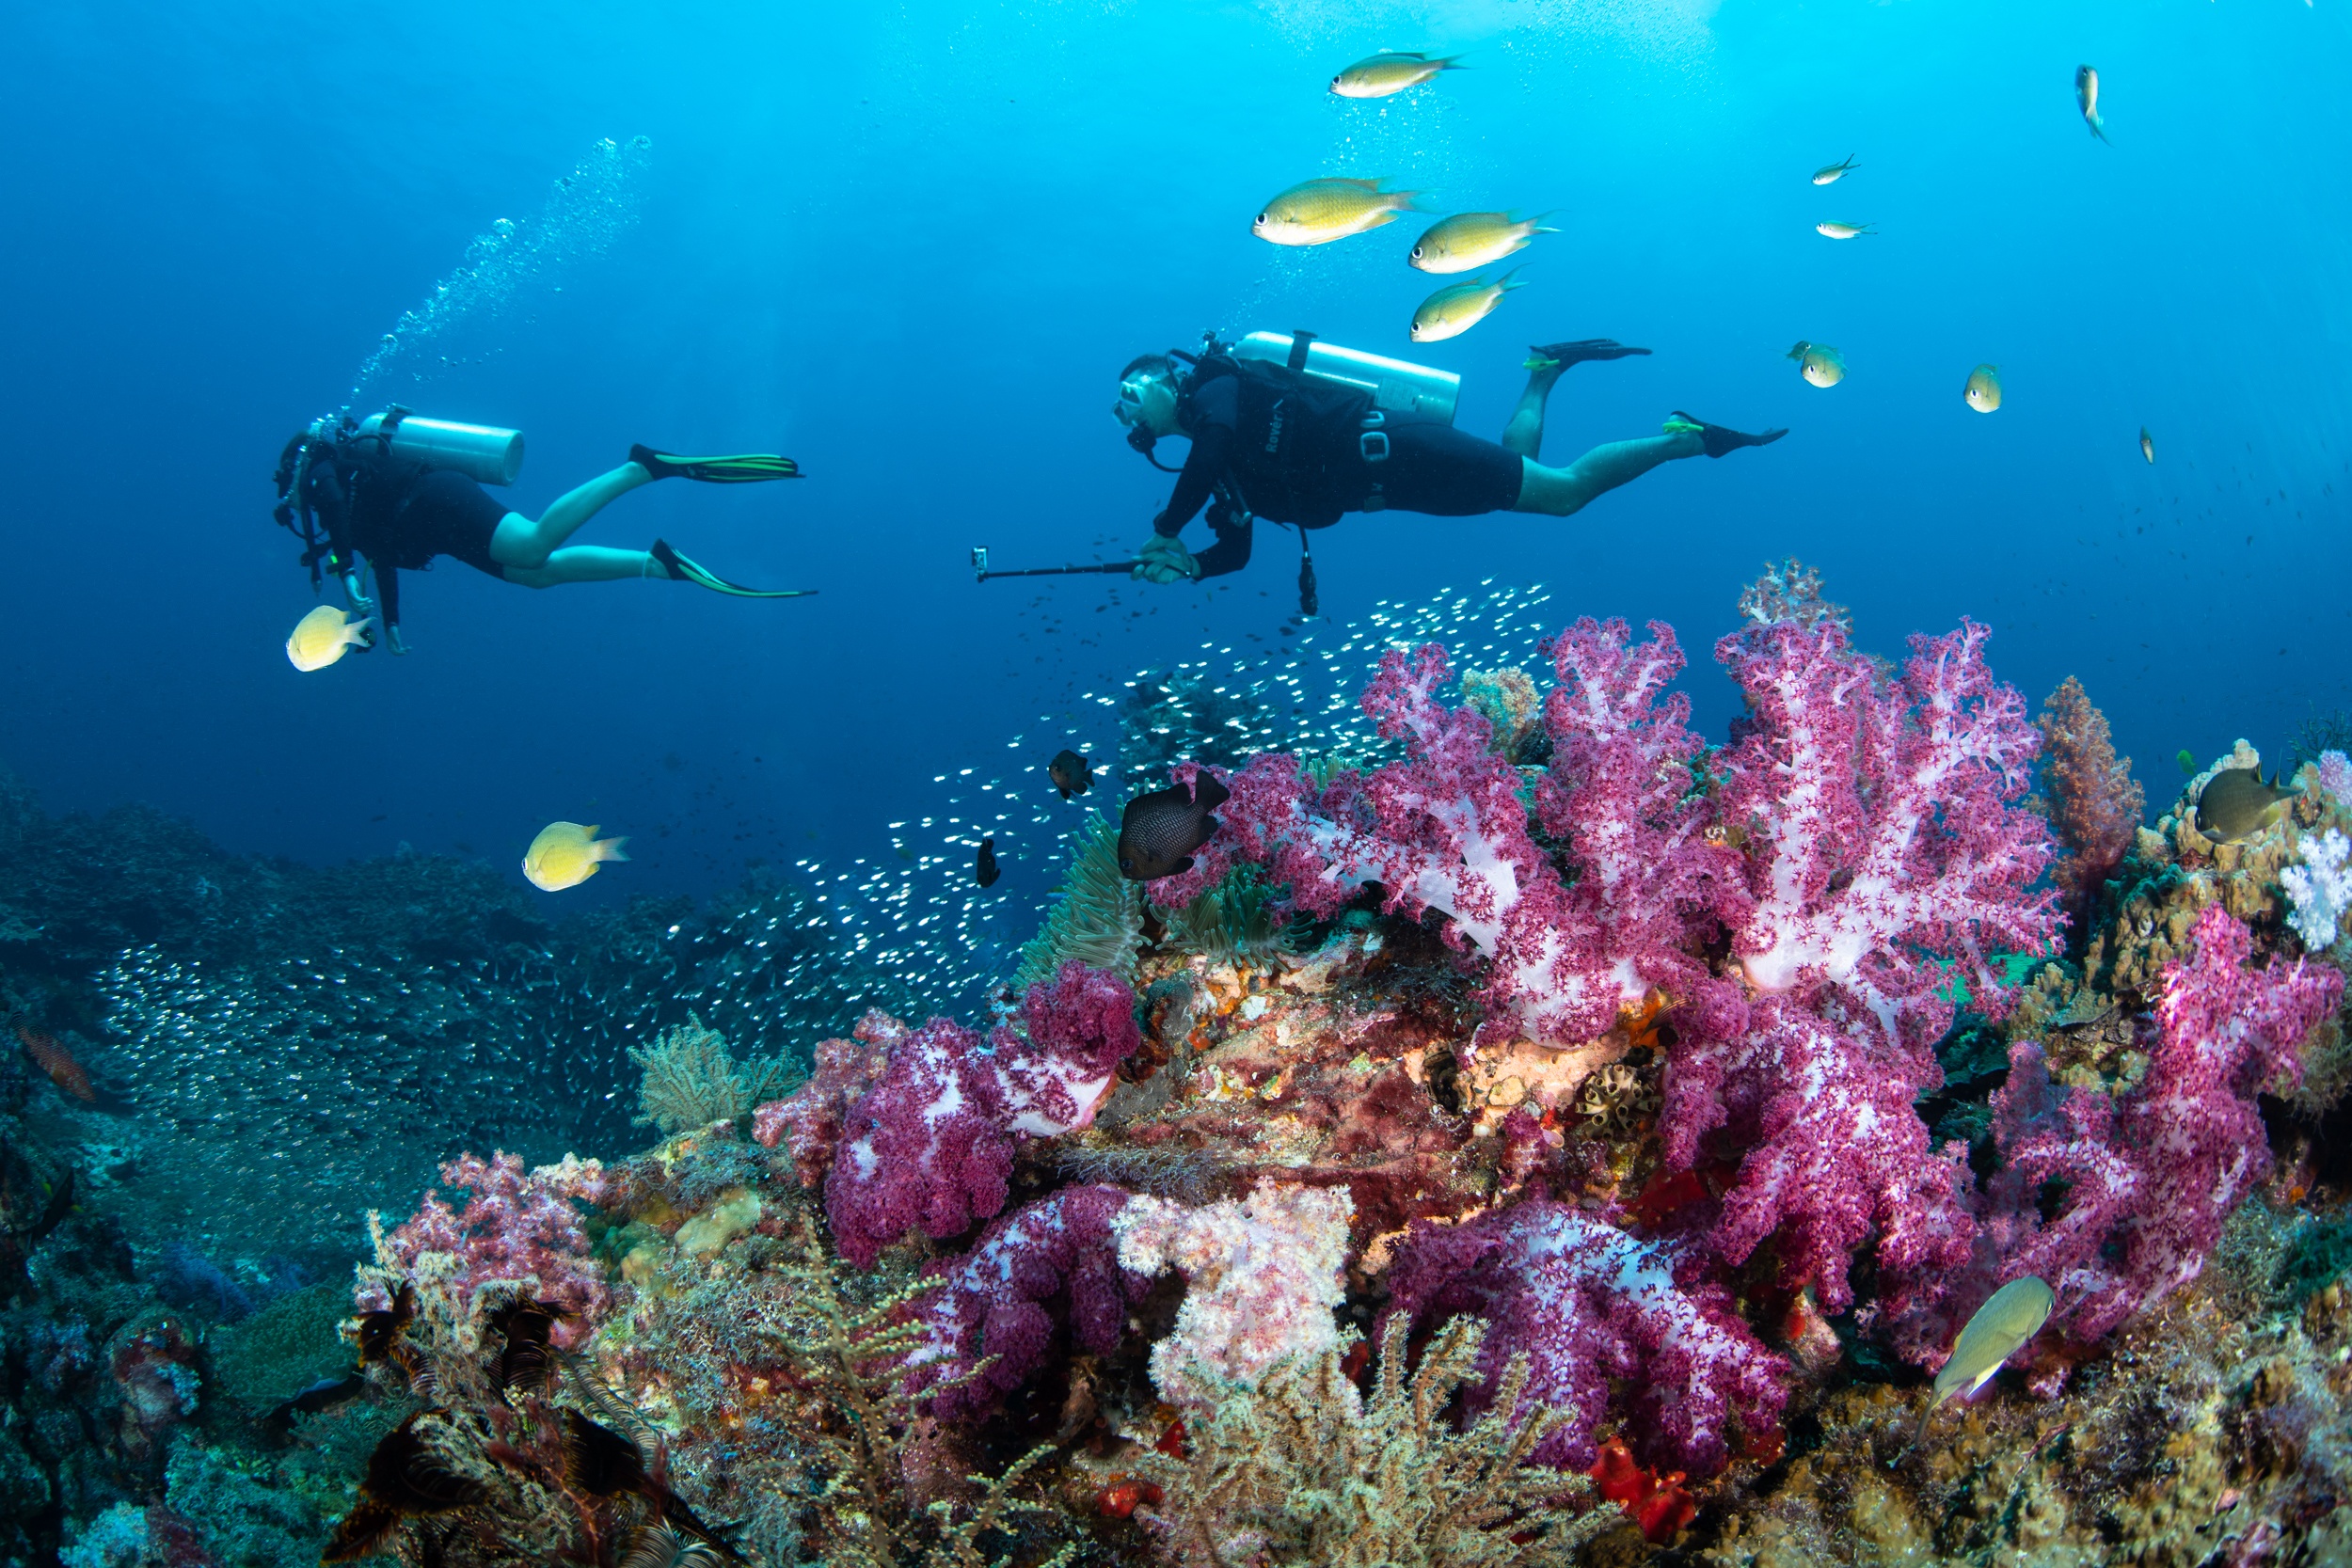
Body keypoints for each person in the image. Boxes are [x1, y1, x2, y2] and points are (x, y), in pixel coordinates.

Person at [1111, 338, 1787, 584]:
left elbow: (1216, 442)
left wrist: (1168, 526)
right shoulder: (1215, 466)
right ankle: (1545, 371)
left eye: (1131, 395)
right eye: (1122, 411)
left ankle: (1685, 438)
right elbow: (1239, 549)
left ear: (1164, 383)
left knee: (1563, 494)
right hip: (1392, 486)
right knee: (1514, 480)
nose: (1129, 413)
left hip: (1398, 445)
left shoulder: (1217, 385)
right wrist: (1191, 563)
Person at [272, 421, 807, 653]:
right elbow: (380, 556)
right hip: (434, 528)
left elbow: (338, 514)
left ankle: (642, 468)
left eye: (284, 488)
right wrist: (388, 623)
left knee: (530, 544)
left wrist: (343, 573)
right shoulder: (339, 498)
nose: (290, 502)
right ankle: (659, 563)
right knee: (534, 575)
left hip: (437, 499)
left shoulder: (320, 470)